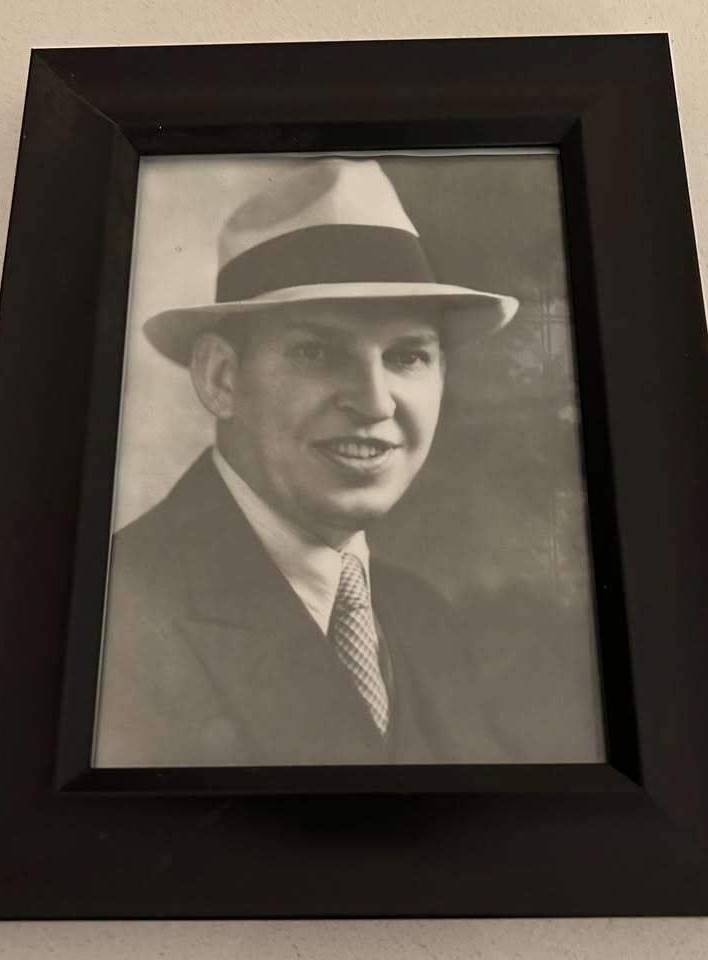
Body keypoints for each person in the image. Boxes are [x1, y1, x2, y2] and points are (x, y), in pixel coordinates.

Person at [94, 158, 519, 766]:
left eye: (406, 356)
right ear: (221, 379)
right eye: (316, 351)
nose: (374, 402)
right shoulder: (117, 616)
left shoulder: (421, 616)